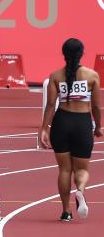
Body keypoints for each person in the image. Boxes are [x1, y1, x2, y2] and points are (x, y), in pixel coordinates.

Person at [39, 38, 103, 221]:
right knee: (82, 169)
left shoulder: (56, 76)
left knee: (64, 169)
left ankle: (66, 211)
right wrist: (98, 127)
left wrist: (43, 129)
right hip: (82, 124)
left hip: (61, 123)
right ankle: (80, 190)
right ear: (82, 53)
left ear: (63, 54)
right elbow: (97, 107)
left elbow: (50, 105)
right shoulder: (92, 76)